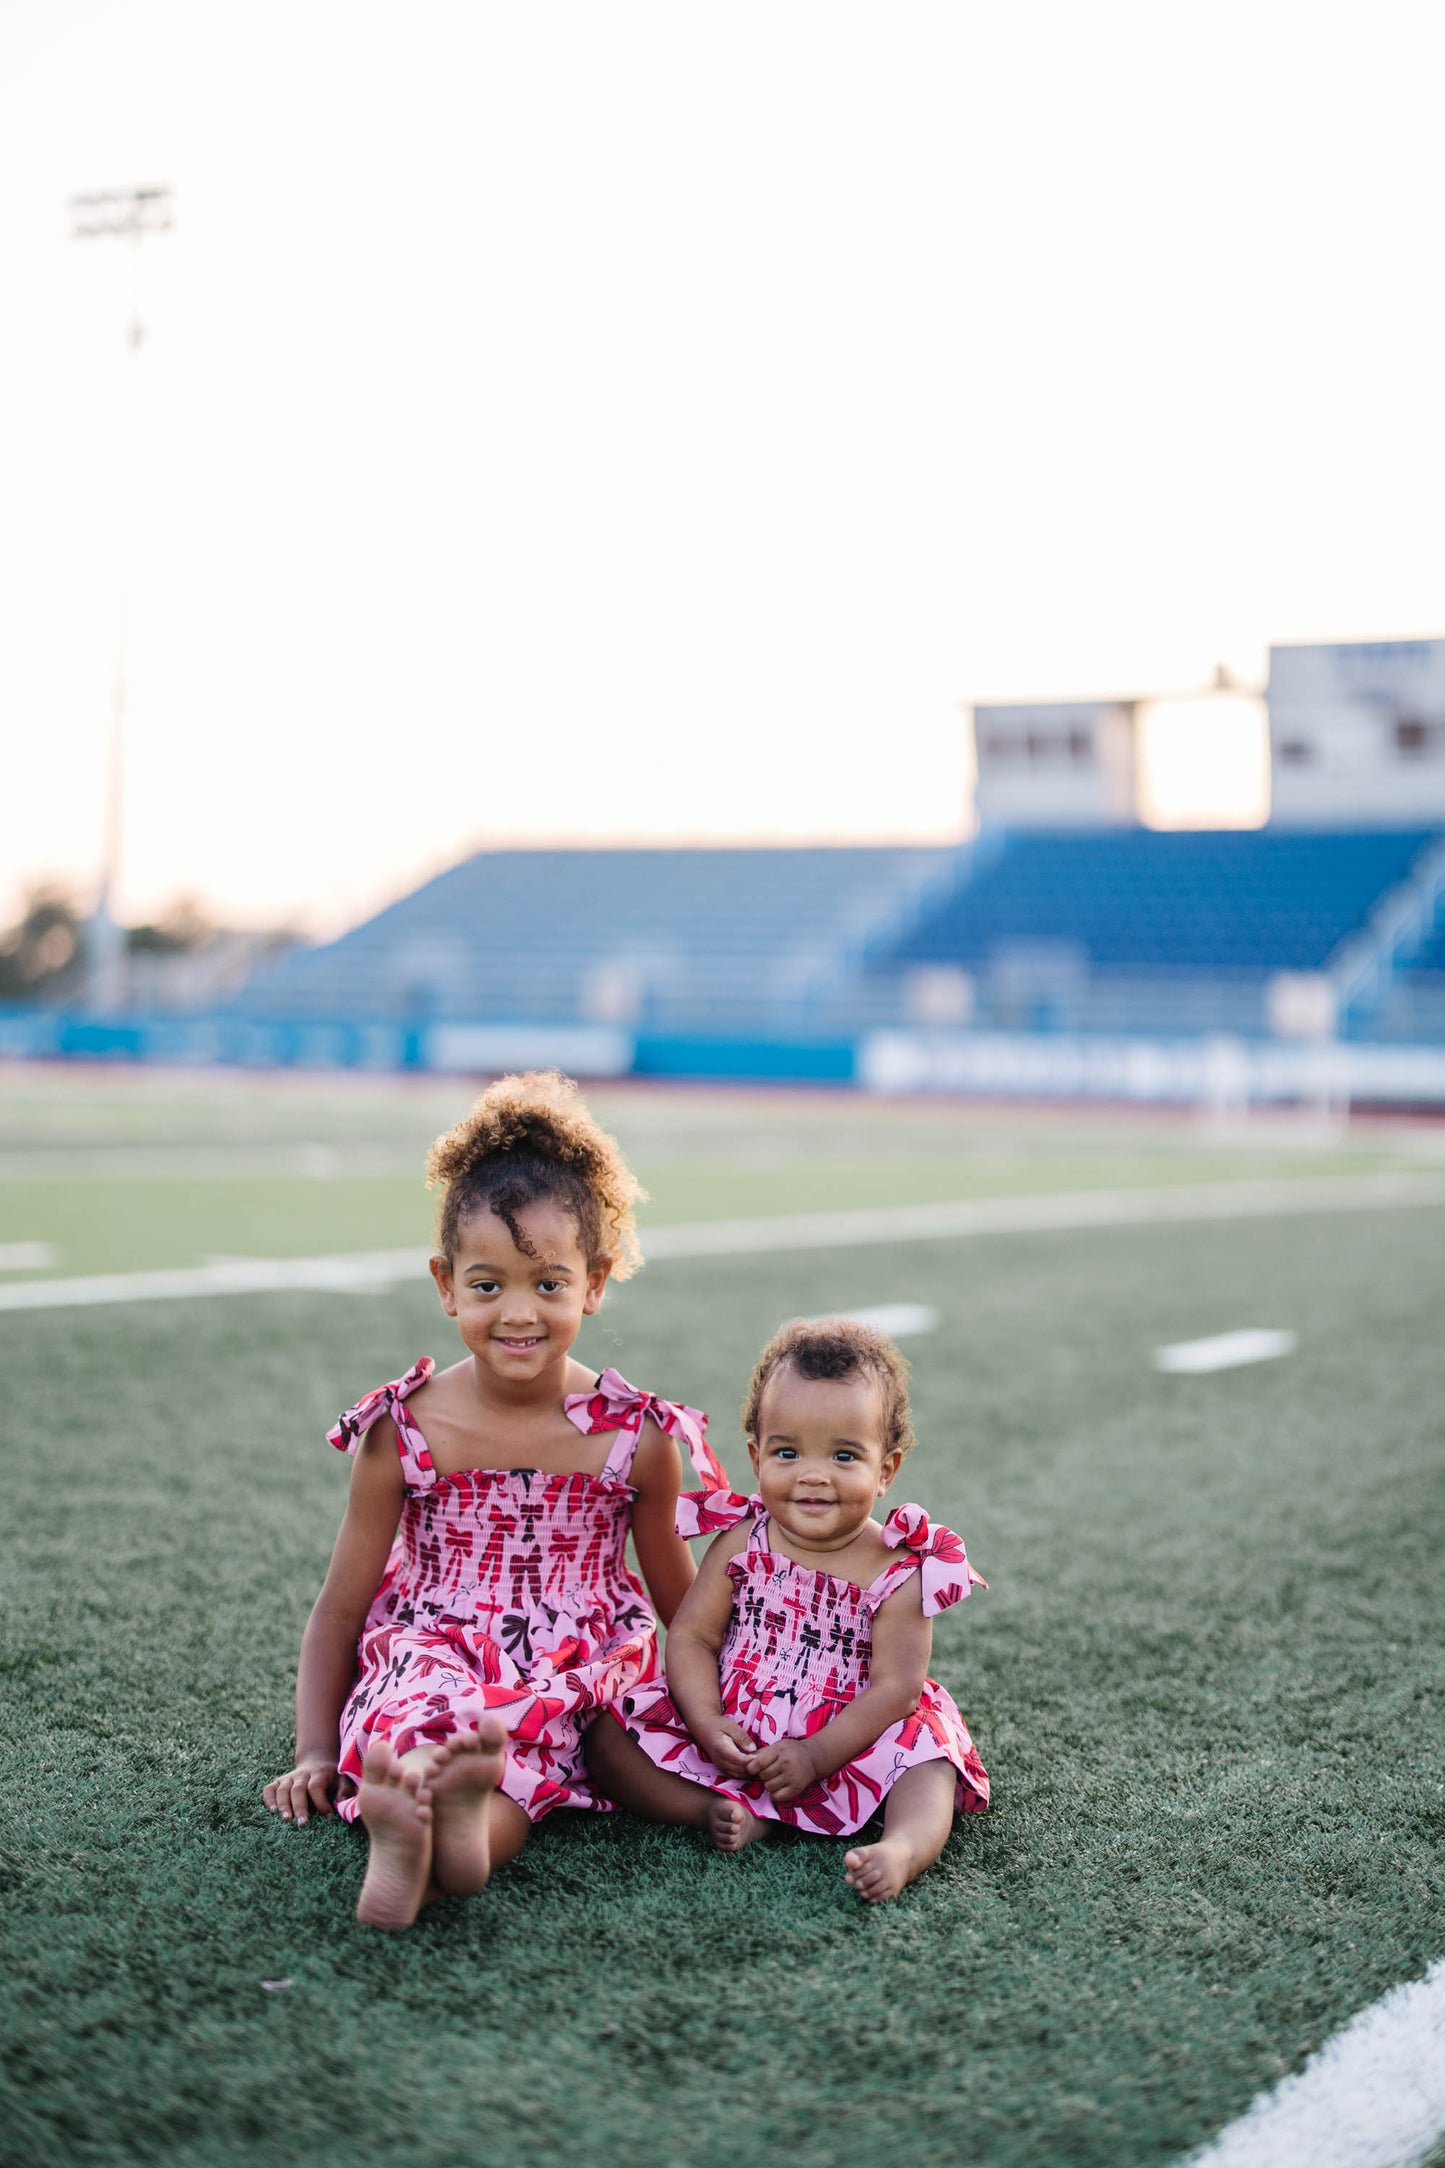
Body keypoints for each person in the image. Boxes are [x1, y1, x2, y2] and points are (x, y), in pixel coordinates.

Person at [262, 1070, 723, 1929]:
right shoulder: (402, 1427)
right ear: (445, 1284)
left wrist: (731, 1709)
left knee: (548, 1738)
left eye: (548, 1283)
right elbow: (342, 1608)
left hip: (577, 1663)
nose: (519, 1312)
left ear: (594, 1281)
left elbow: (683, 1605)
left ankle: (448, 1848)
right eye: (487, 1285)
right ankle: (436, 1834)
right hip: (434, 1640)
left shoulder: (636, 1434)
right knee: (415, 1724)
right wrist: (316, 1750)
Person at [585, 1315, 990, 1902]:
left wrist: (815, 1753)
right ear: (756, 1457)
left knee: (929, 1758)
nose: (813, 1476)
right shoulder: (741, 1540)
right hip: (740, 1728)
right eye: (788, 1452)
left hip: (852, 1739)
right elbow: (693, 1637)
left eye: (845, 1456)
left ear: (887, 1469)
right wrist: (705, 1720)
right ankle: (716, 1810)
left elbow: (896, 1689)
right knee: (606, 1736)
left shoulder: (901, 1570)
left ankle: (900, 1848)